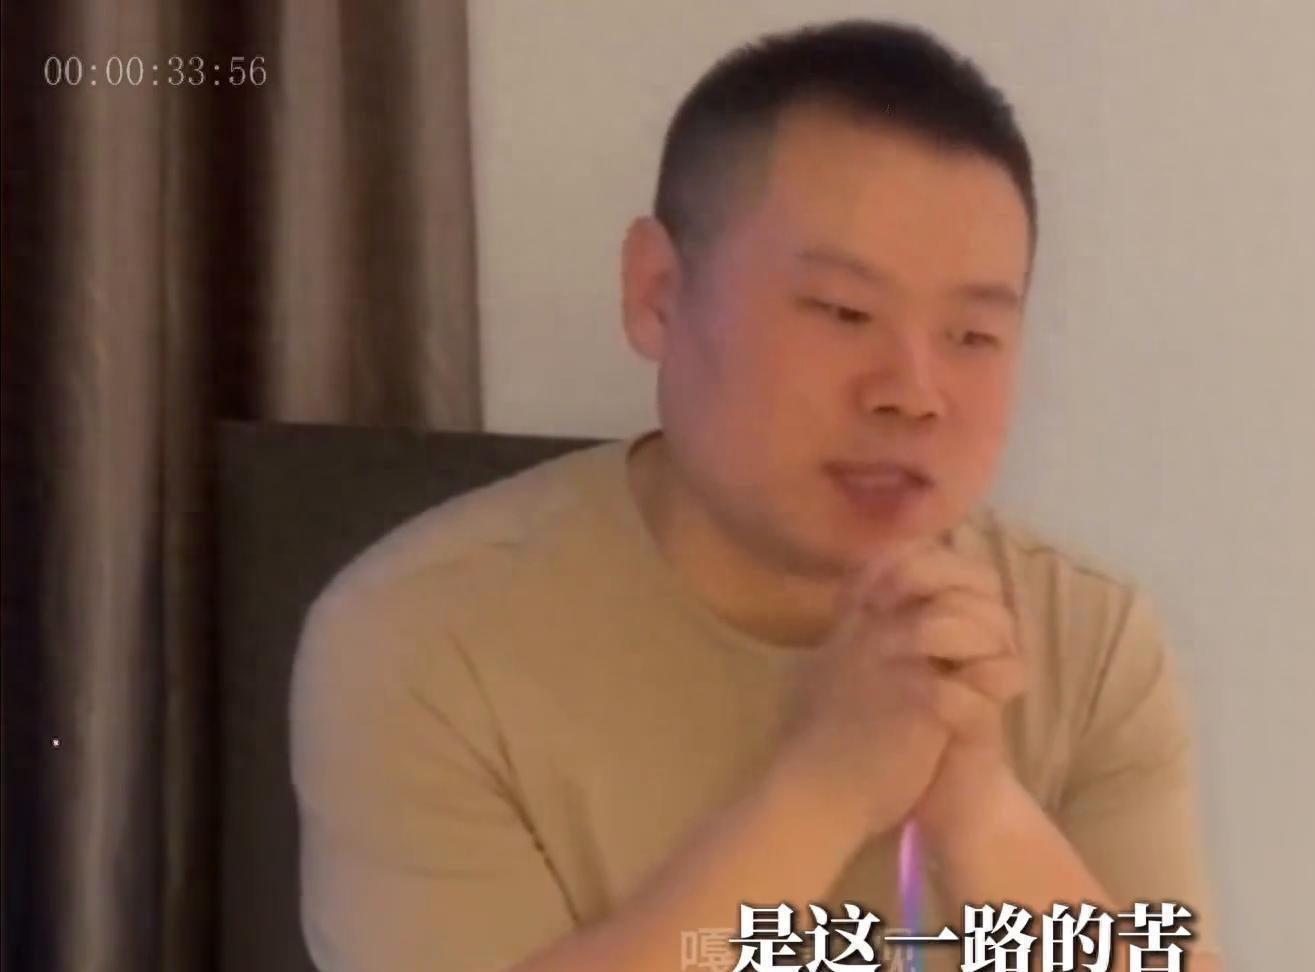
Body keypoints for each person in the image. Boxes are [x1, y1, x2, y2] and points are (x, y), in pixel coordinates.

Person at [291, 18, 1225, 972]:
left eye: (973, 336)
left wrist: (981, 812)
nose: (913, 392)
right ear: (658, 293)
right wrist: (826, 789)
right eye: (844, 313)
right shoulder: (422, 641)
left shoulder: (1088, 645)